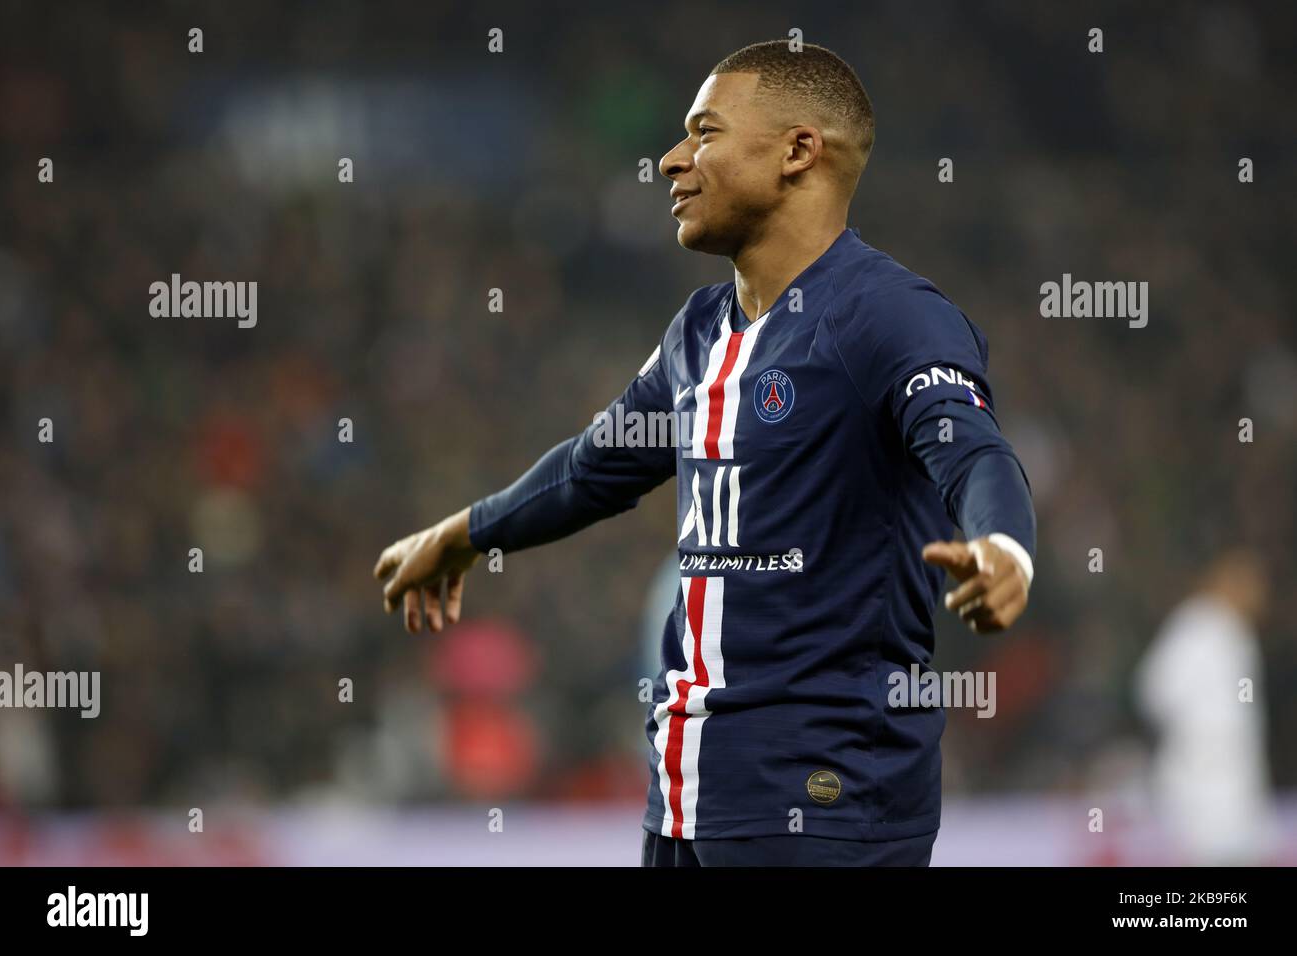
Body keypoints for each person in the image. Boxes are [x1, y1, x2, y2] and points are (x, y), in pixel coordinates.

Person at [374, 40, 1037, 866]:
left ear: (798, 152)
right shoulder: (697, 333)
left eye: (704, 133)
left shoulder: (890, 316)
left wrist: (1004, 546)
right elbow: (594, 468)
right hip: (688, 797)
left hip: (825, 800)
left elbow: (973, 450)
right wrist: (468, 532)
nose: (671, 159)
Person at [1135, 548, 1277, 865]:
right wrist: (1196, 737)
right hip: (1199, 776)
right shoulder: (1195, 626)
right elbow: (1154, 690)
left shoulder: (1239, 635)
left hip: (1237, 777)